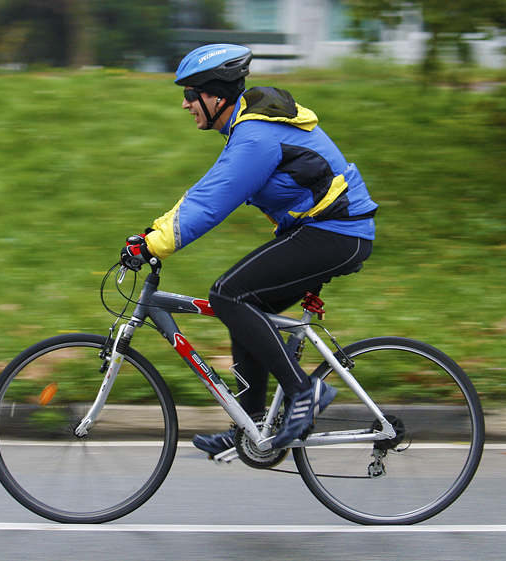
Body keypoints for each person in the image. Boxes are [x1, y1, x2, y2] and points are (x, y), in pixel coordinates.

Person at [120, 44, 378, 456]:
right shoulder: (247, 129)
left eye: (191, 94)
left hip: (337, 233)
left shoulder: (255, 136)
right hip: (329, 231)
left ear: (216, 95)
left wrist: (152, 245)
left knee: (228, 294)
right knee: (244, 303)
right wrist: (151, 232)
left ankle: (305, 392)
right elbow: (204, 192)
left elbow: (209, 204)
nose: (185, 104)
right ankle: (251, 425)